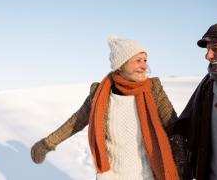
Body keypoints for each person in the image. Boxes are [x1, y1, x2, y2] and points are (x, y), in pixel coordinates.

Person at [31, 36, 183, 180]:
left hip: (149, 176)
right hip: (111, 176)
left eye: (145, 60)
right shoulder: (100, 94)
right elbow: (76, 122)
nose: (144, 66)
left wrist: (185, 158)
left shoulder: (153, 89)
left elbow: (174, 126)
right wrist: (47, 144)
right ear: (121, 65)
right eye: (138, 60)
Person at [174, 22, 217, 180]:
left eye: (215, 49)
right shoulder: (208, 84)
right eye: (207, 50)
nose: (208, 56)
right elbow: (184, 125)